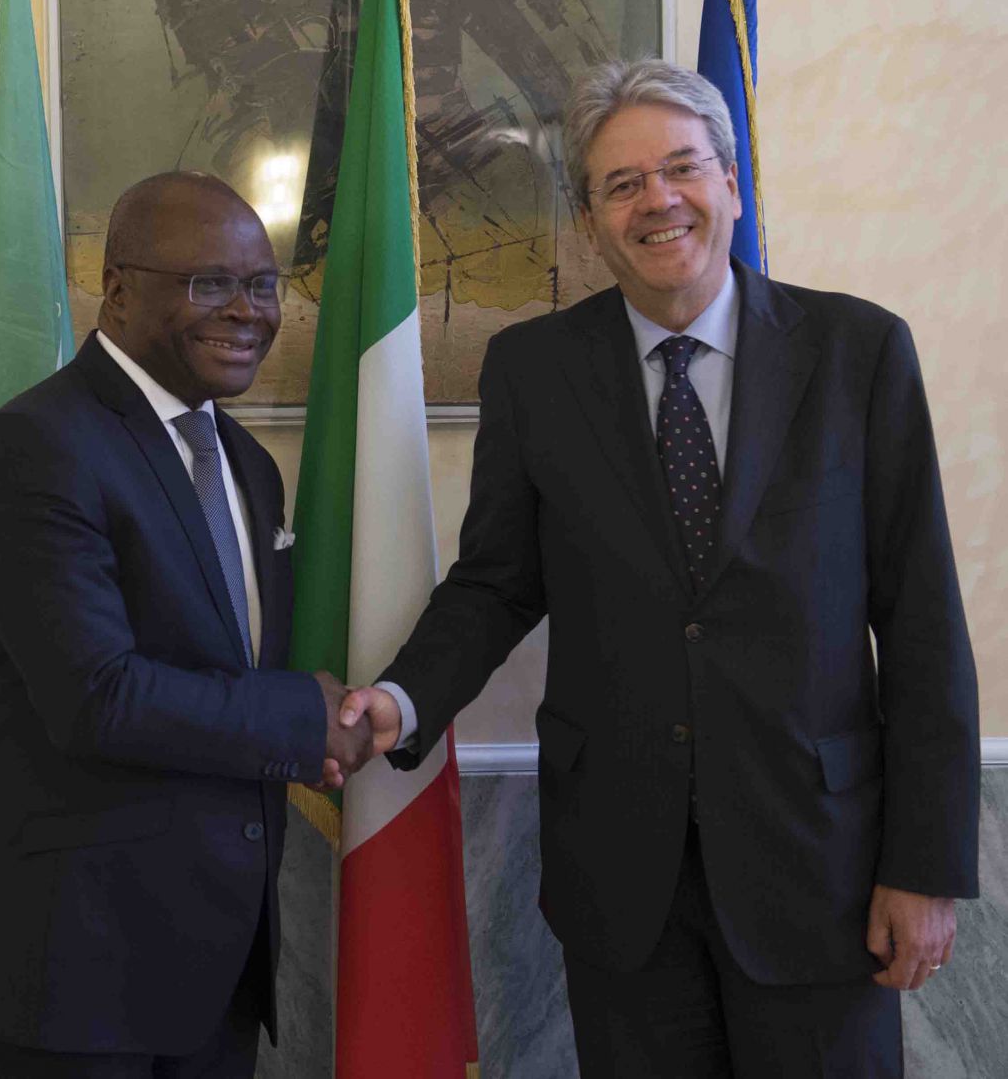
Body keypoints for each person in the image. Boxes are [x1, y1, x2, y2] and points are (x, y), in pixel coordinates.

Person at [343, 60, 980, 1077]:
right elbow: (497, 582)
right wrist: (400, 699)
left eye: (681, 168)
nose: (657, 201)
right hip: (620, 879)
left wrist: (925, 866)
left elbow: (921, 625)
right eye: (621, 184)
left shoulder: (855, 352)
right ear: (589, 220)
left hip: (818, 870)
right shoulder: (533, 370)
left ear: (731, 183)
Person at [0, 172, 371, 1077]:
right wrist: (298, 717)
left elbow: (217, 672)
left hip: (212, 972)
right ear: (118, 288)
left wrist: (312, 736)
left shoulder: (245, 463)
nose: (247, 311)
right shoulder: (40, 443)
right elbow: (97, 695)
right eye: (209, 283)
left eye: (261, 284)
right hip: (68, 980)